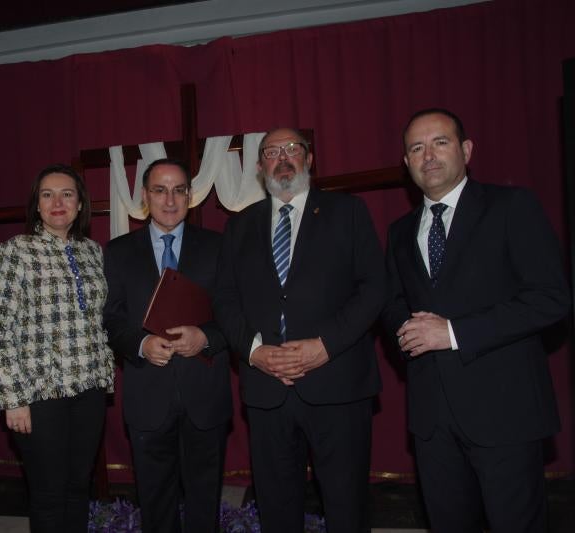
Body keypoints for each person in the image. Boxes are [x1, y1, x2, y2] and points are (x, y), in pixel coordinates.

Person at [382, 108, 570, 532]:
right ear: (407, 163)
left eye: (440, 142)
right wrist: (406, 332)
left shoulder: (512, 207)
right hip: (432, 420)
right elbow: (392, 303)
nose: (428, 155)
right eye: (416, 147)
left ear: (466, 150)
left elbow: (551, 299)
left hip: (505, 411)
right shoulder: (398, 232)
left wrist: (451, 332)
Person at [214, 129, 385, 532]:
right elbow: (224, 299)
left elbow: (374, 288)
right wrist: (254, 352)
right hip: (266, 388)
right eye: (272, 152)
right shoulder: (239, 227)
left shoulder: (349, 212)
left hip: (338, 383)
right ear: (260, 168)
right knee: (276, 505)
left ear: (309, 159)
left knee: (346, 505)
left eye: (293, 149)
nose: (283, 157)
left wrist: (325, 346)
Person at [0, 164, 114, 532]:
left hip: (88, 391)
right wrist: (13, 398)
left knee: (77, 488)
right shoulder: (15, 252)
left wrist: (104, 375)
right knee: (48, 493)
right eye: (47, 195)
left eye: (67, 194)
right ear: (36, 206)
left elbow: (97, 321)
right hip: (39, 395)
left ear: (80, 204)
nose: (58, 202)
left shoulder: (92, 252)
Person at [103, 158, 232, 533]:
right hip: (148, 396)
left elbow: (236, 313)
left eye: (178, 190)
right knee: (156, 503)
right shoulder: (118, 251)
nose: (170, 199)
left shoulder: (219, 246)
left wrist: (206, 336)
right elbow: (112, 320)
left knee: (204, 500)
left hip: (205, 395)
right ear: (144, 197)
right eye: (160, 190)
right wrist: (142, 344)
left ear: (190, 196)